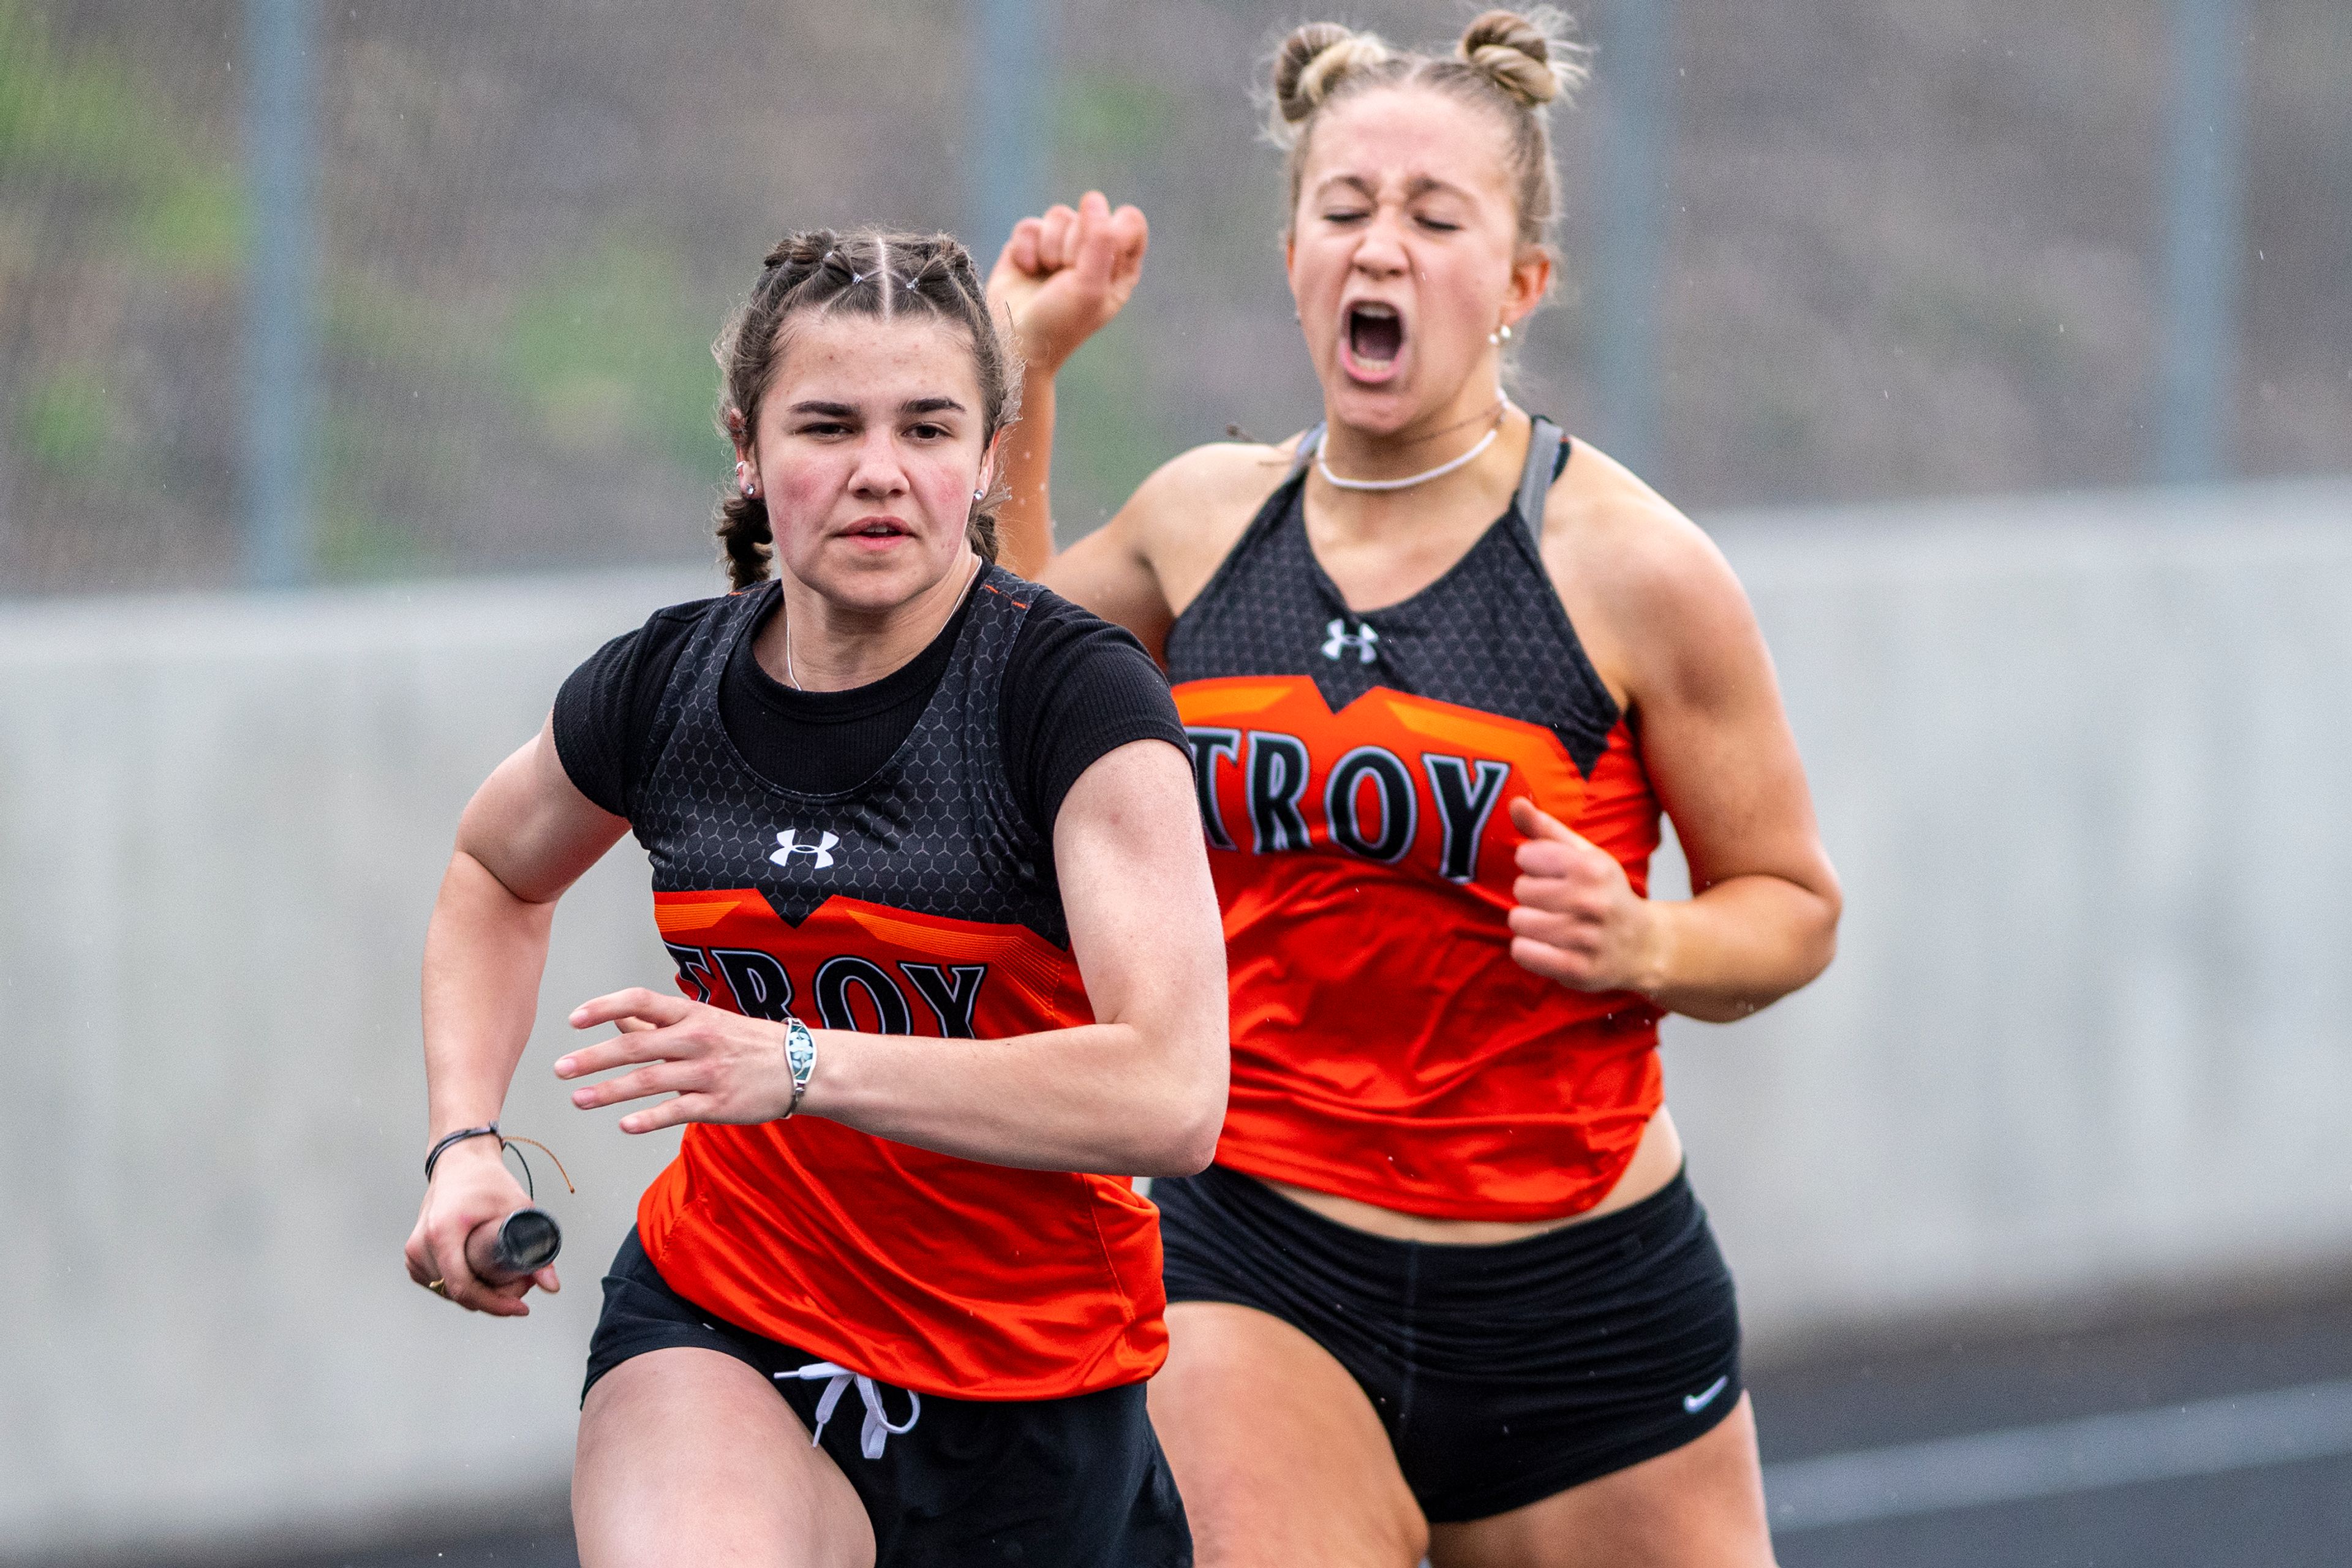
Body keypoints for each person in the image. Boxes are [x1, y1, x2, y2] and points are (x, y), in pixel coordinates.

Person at [986, 12, 1842, 1567]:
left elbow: (1790, 911)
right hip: (1256, 1253)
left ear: (1520, 284)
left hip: (1582, 1305)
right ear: (1297, 255)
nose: (1383, 245)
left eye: (1436, 219)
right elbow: (999, 684)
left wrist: (1650, 945)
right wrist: (1027, 369)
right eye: (1345, 209)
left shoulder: (1633, 567)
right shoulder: (1202, 521)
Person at [402, 229, 1224, 1568]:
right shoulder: (665, 685)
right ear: (745, 444)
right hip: (732, 1315)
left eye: (928, 426)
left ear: (990, 452)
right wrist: (464, 1142)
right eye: (827, 425)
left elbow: (1173, 1093)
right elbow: (497, 868)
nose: (880, 472)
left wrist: (796, 1061)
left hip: (1034, 1386)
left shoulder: (1068, 696)